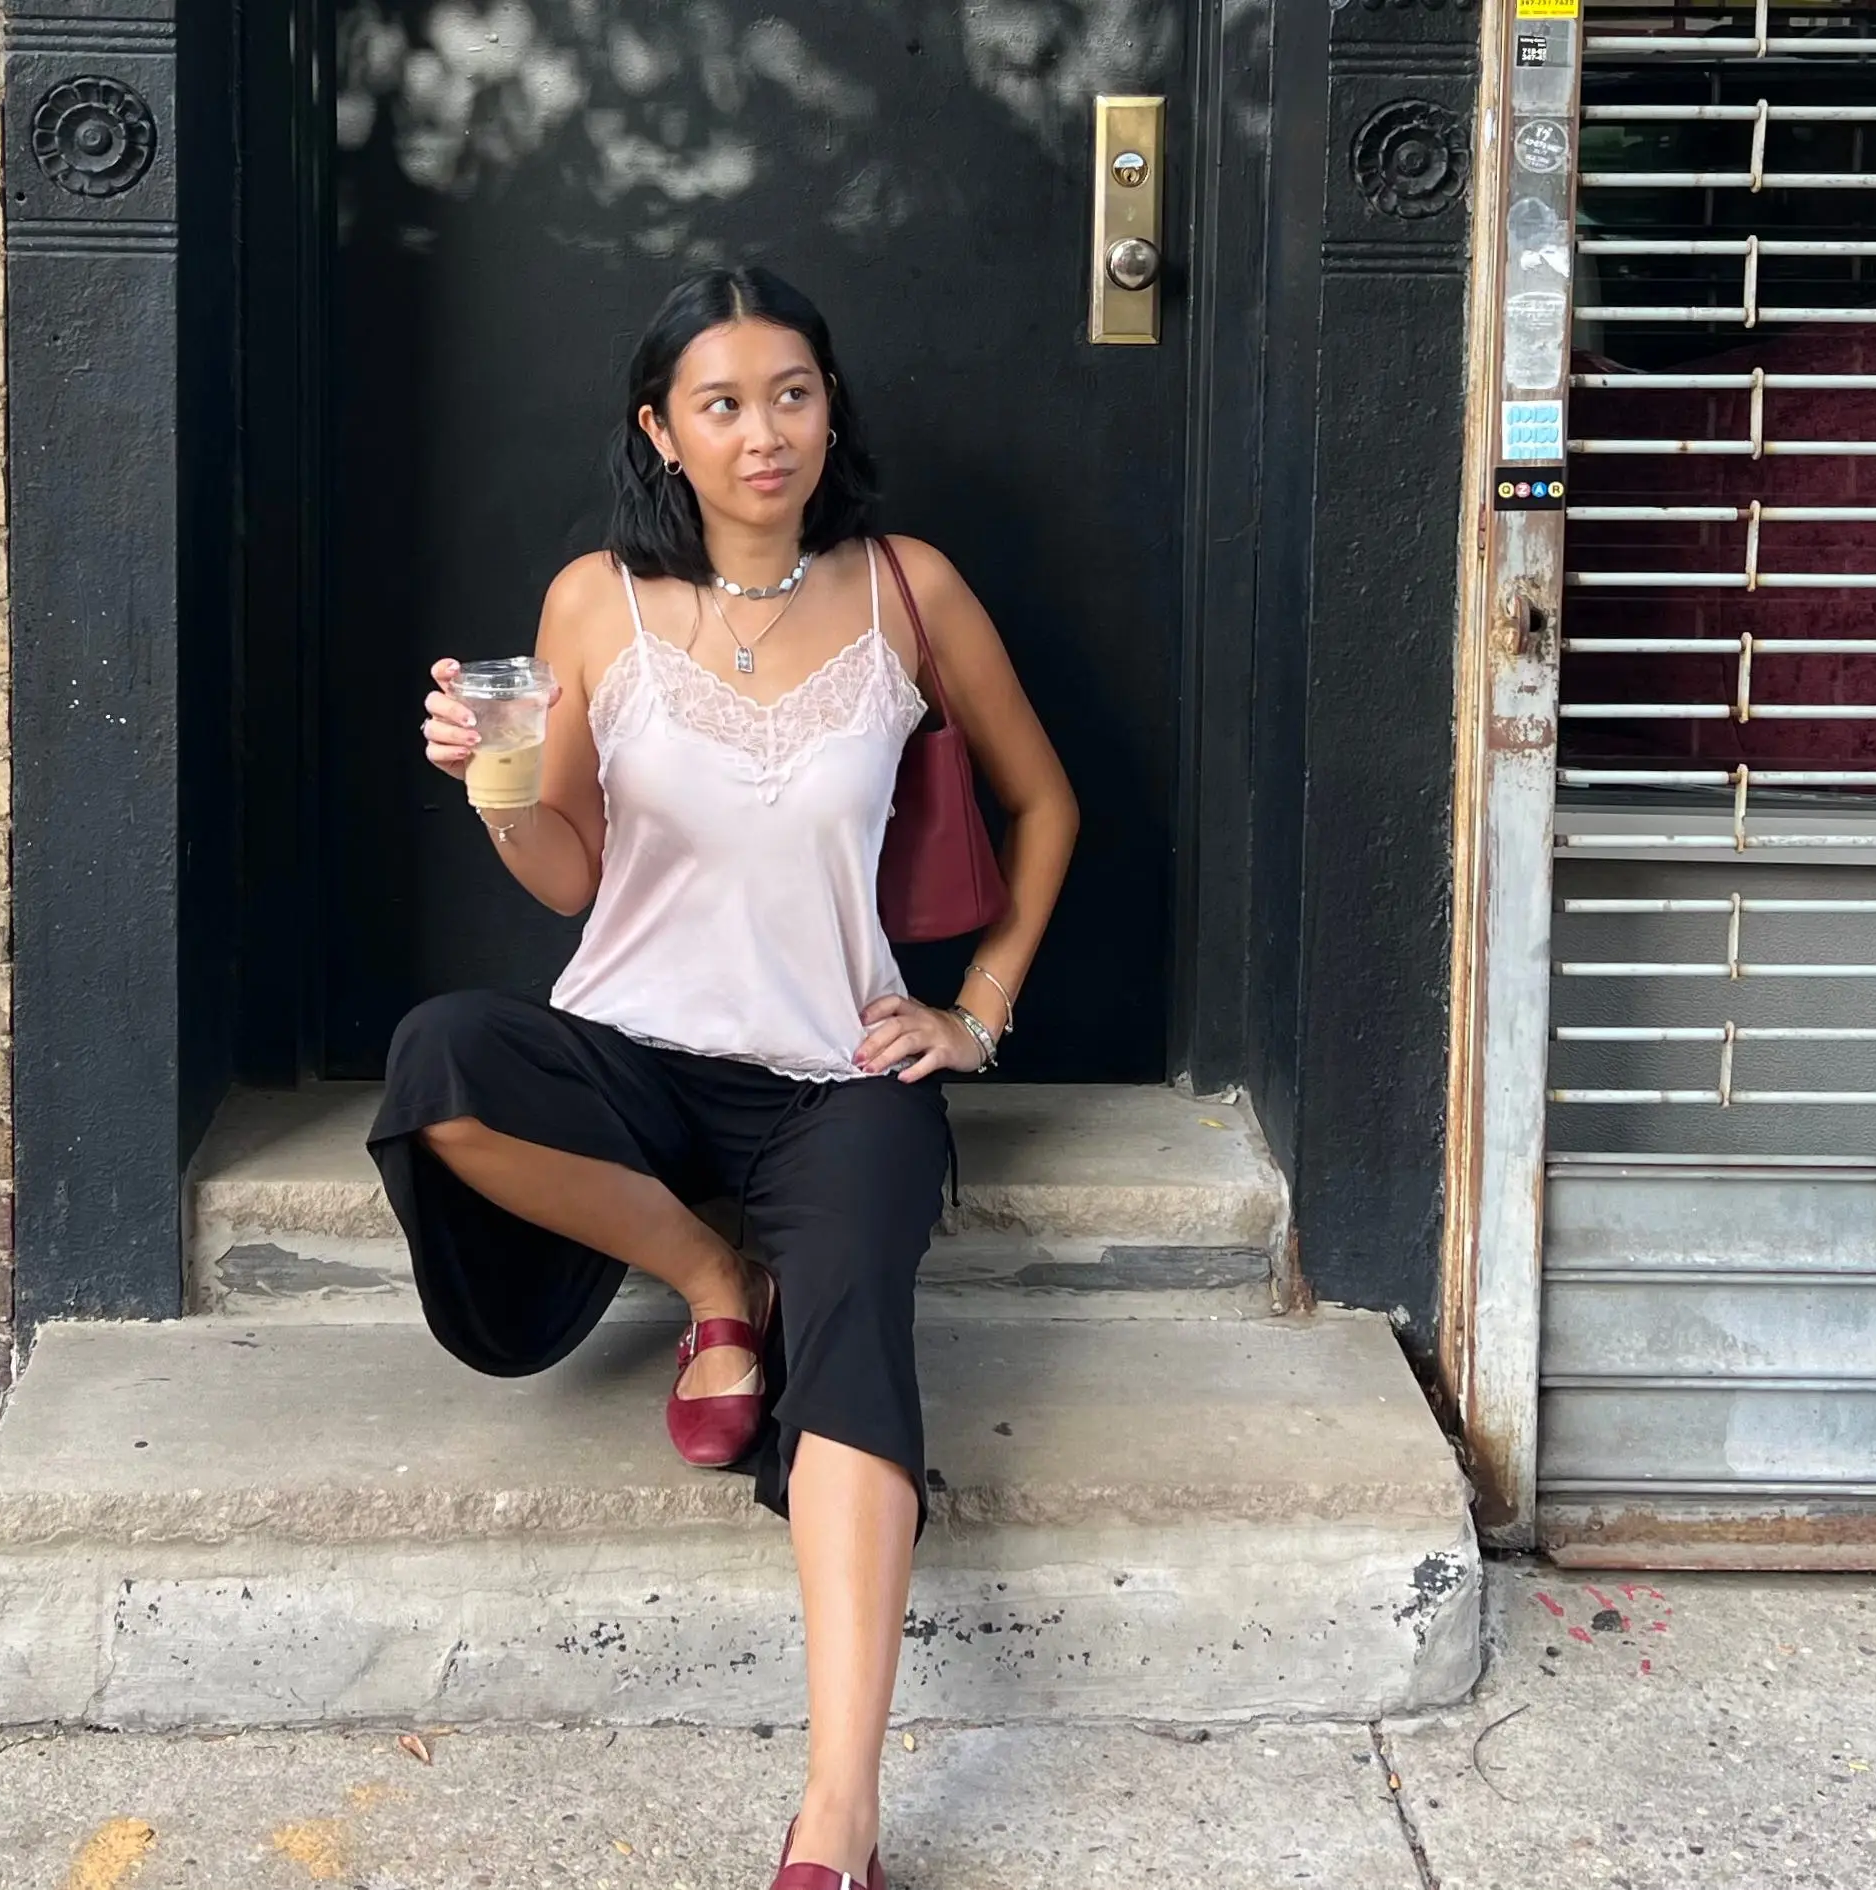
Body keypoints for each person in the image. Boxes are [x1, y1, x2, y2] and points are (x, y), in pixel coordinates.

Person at [370, 264, 1078, 1889]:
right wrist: (492, 791)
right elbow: (568, 877)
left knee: (862, 1342)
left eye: (794, 393)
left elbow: (1046, 807)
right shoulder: (592, 603)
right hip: (632, 1048)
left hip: (843, 1069)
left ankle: (840, 1812)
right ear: (660, 431)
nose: (765, 433)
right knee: (441, 1061)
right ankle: (707, 1272)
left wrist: (976, 1009)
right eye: (722, 403)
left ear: (832, 408)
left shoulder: (909, 589)